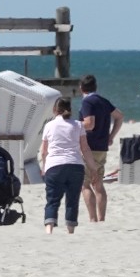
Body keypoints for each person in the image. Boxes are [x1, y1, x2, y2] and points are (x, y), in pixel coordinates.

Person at [39, 97, 98, 234]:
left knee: (52, 199)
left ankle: (49, 230)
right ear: (70, 110)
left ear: (54, 110)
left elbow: (43, 151)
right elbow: (85, 149)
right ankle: (70, 231)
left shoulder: (49, 125)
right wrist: (93, 168)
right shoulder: (78, 125)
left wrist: (43, 168)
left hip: (54, 166)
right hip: (75, 165)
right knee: (72, 200)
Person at [78, 74, 124, 222]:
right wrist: (111, 136)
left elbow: (89, 124)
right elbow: (119, 116)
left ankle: (93, 219)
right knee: (98, 183)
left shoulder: (87, 102)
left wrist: (72, 125)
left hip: (88, 147)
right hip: (102, 147)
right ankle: (102, 218)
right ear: (95, 87)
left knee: (85, 184)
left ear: (81, 88)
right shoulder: (103, 101)